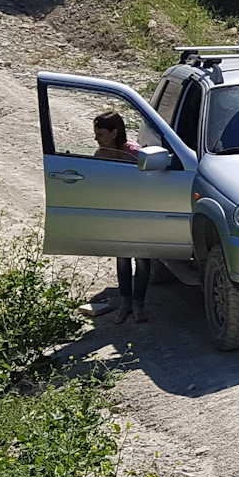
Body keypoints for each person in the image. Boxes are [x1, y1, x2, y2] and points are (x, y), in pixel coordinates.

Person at [91, 112, 150, 323]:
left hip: (140, 215)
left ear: (115, 133)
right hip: (117, 216)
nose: (96, 138)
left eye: (101, 133)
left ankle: (139, 305)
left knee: (142, 260)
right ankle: (126, 305)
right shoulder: (100, 156)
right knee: (123, 259)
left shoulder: (134, 154)